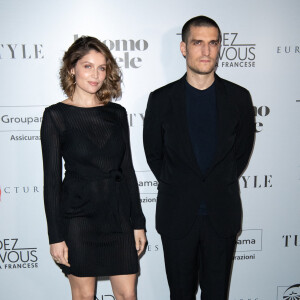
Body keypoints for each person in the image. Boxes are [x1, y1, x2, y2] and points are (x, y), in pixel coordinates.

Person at [143, 16, 255, 300]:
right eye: (197, 43)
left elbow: (240, 153)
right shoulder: (160, 99)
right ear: (183, 48)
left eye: (213, 43)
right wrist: (182, 184)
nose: (206, 51)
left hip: (222, 214)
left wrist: (218, 181)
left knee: (217, 294)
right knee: (180, 294)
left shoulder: (240, 98)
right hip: (177, 215)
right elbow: (154, 155)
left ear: (219, 48)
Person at [41, 36, 146, 300]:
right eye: (88, 66)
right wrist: (56, 236)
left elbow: (128, 171)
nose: (96, 74)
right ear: (72, 69)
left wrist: (138, 223)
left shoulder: (117, 114)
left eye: (102, 67)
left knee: (127, 295)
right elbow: (52, 181)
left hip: (118, 217)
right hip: (78, 220)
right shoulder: (56, 116)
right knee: (84, 297)